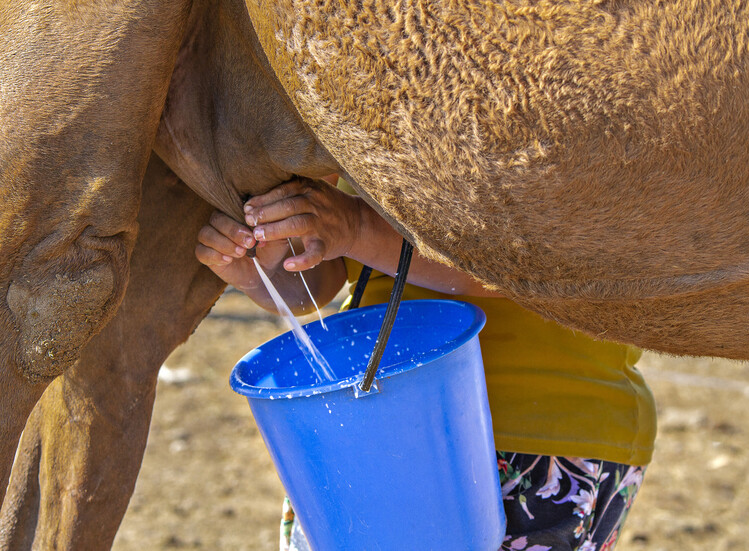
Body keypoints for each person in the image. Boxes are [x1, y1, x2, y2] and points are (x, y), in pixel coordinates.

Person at [195, 176, 657, 551]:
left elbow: (553, 263)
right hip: (361, 431)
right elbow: (327, 272)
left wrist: (356, 226)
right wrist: (265, 269)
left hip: (536, 436)